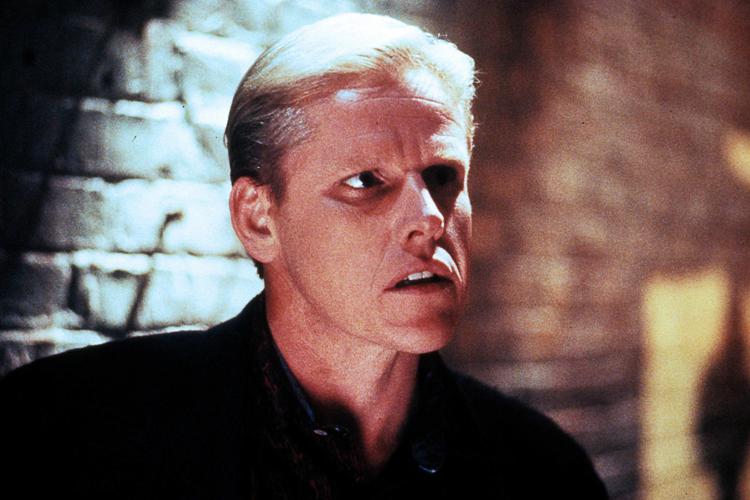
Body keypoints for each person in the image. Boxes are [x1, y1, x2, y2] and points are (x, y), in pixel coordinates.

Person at [0, 13, 608, 499]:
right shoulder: (70, 433)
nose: (430, 217)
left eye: (444, 175)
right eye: (366, 181)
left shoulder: (544, 473)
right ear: (258, 220)